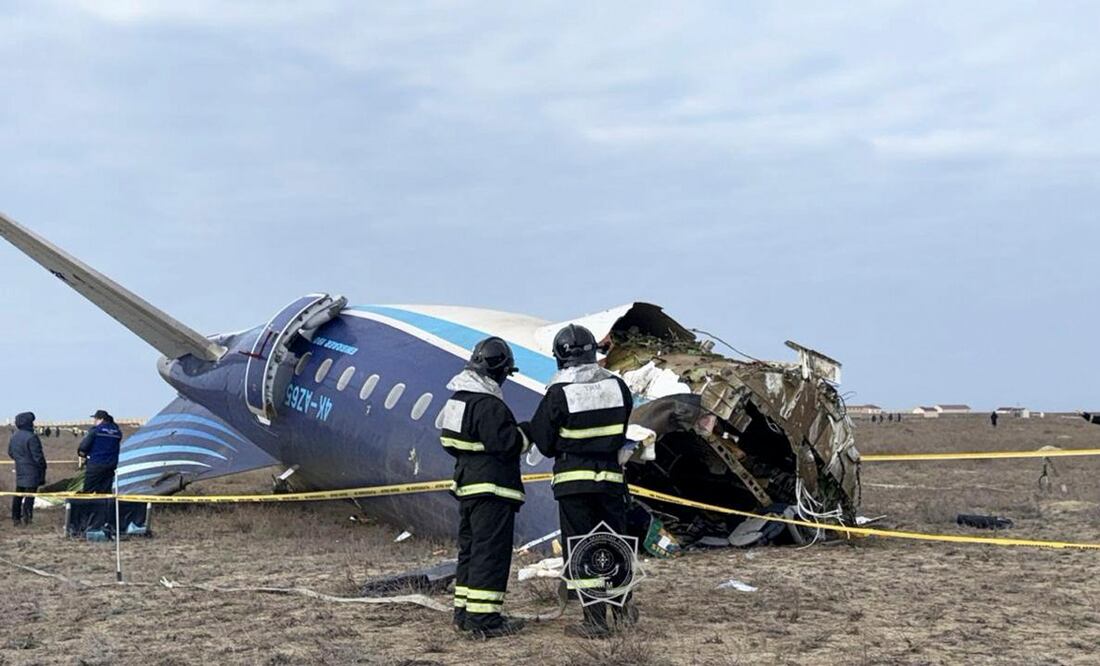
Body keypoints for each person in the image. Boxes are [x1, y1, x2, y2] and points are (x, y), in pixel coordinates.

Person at [527, 324, 636, 639]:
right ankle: (623, 607)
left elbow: (544, 442)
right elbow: (622, 428)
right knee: (615, 544)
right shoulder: (618, 386)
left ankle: (596, 622)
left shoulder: (559, 392)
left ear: (560, 357)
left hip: (575, 484)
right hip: (611, 481)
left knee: (584, 549)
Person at [440, 337, 528, 639]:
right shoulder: (489, 405)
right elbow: (507, 444)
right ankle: (484, 620)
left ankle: (464, 614)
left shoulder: (457, 400)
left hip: (467, 488)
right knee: (490, 553)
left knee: (471, 551)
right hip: (493, 490)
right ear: (500, 371)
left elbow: (448, 442)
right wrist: (526, 433)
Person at [8, 412, 46, 526]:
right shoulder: (32, 437)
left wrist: (20, 460)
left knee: (18, 495)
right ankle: (27, 519)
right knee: (30, 496)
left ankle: (15, 518)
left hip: (20, 469)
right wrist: (43, 467)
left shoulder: (14, 436)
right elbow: (38, 456)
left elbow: (10, 452)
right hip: (32, 471)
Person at [78, 410, 123, 493]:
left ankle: (87, 505)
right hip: (111, 465)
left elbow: (83, 447)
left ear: (101, 419)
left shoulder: (96, 430)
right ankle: (104, 505)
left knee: (88, 491)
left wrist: (82, 453)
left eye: (96, 419)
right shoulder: (117, 432)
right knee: (105, 492)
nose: (94, 421)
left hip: (95, 464)